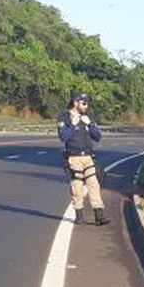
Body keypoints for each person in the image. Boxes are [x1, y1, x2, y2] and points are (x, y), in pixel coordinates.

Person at [57, 91, 110, 225]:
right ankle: (79, 214)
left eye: (87, 103)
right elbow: (63, 137)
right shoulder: (64, 117)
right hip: (74, 157)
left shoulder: (87, 117)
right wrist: (73, 125)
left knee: (94, 184)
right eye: (84, 103)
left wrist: (90, 125)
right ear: (76, 102)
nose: (86, 106)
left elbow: (98, 137)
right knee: (77, 186)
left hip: (88, 156)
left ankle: (99, 215)